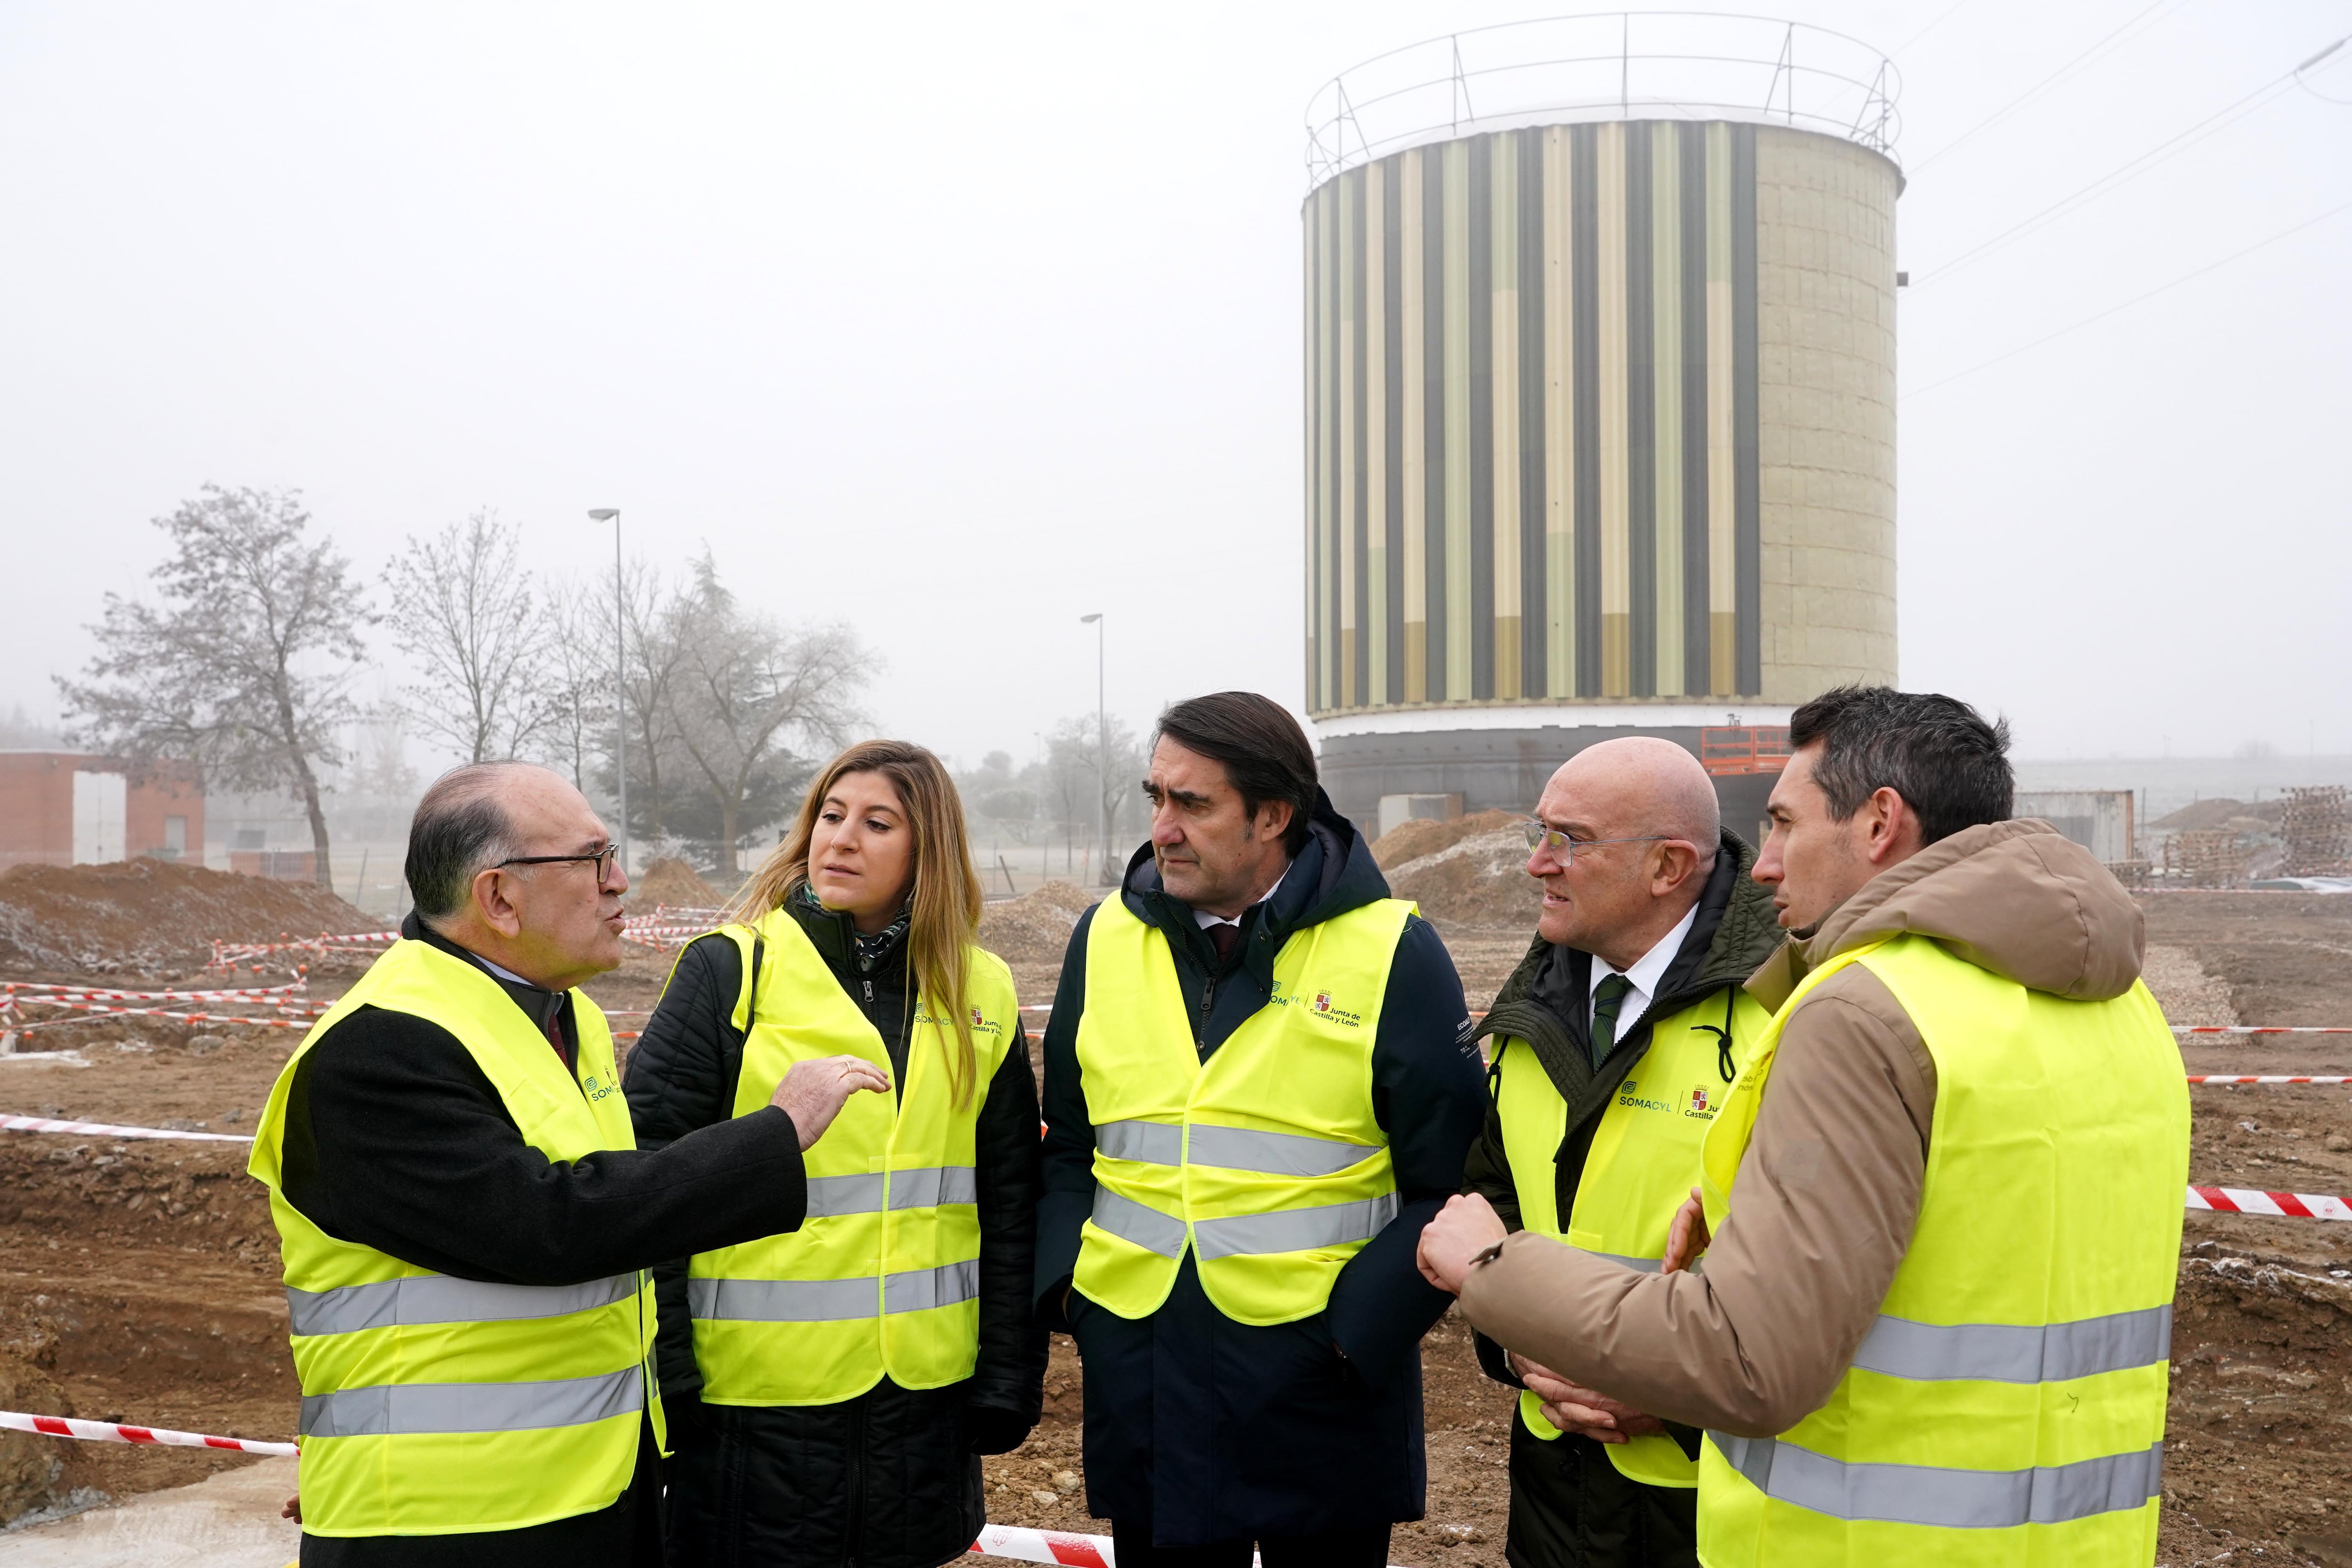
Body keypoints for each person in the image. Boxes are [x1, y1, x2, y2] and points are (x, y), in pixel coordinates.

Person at [1420, 687, 2190, 1567]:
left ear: (1878, 824)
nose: (1761, 864)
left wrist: (1495, 1269)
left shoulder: (1860, 1011)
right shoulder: (2128, 1014)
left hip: (1863, 1539)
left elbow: (1753, 1358)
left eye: (1784, 824)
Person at [250, 762, 890, 1567]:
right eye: (593, 860)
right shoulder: (378, 1050)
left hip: (588, 1499)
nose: (620, 882)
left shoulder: (562, 1017)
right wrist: (774, 1133)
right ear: (499, 897)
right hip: (440, 1525)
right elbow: (554, 1224)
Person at [1036, 692, 1487, 1568]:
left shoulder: (1392, 949)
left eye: (1193, 804)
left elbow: (1453, 1177)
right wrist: (1071, 1297)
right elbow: (1068, 1147)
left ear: (1275, 814)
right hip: (1147, 1379)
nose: (1162, 827)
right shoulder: (1102, 940)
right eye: (1155, 797)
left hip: (1322, 1394)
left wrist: (1357, 1334)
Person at [625, 740, 1045, 1568]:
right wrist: (668, 1372)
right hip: (750, 1409)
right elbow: (647, 1183)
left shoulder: (981, 990)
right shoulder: (729, 972)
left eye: (877, 822)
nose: (842, 838)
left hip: (921, 1411)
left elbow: (1010, 1199)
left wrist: (1006, 1373)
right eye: (831, 813)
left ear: (928, 849)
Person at [1462, 738, 1781, 1568]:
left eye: (1569, 839)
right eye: (1541, 832)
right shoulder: (1534, 1005)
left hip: (1712, 1492)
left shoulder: (1783, 1017)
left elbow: (1813, 1274)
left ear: (1669, 866)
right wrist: (1520, 1339)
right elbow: (1494, 1196)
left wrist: (1669, 1396)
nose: (1537, 863)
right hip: (1552, 1476)